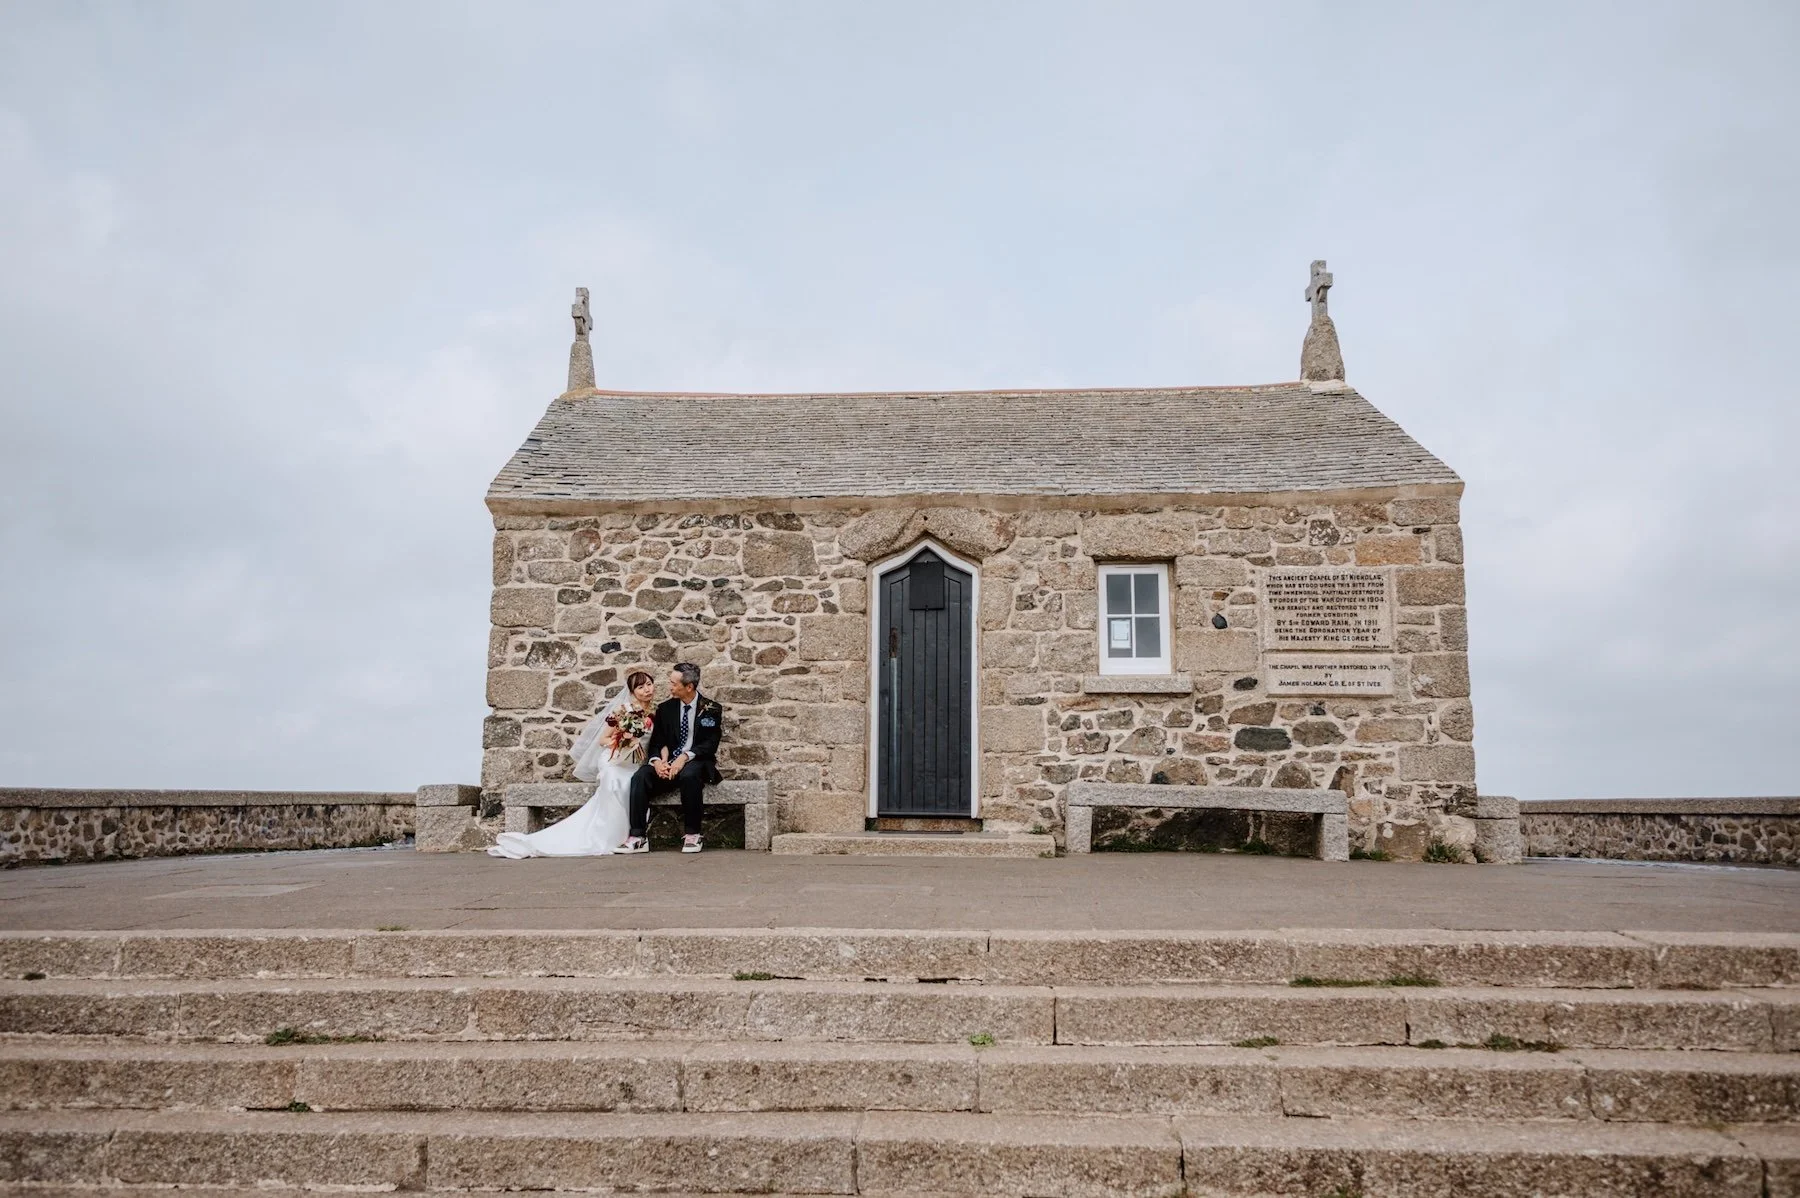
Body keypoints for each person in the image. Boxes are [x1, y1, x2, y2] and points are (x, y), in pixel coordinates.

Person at [485, 669, 657, 859]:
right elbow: (603, 740)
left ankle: (628, 835)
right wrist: (623, 741)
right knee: (616, 781)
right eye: (640, 687)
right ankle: (610, 836)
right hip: (614, 760)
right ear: (632, 691)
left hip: (633, 763)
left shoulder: (654, 714)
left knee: (633, 784)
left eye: (649, 684)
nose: (646, 690)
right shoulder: (623, 711)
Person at [621, 662, 723, 853]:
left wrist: (684, 757)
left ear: (689, 687)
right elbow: (657, 742)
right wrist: (657, 762)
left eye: (673, 684)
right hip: (668, 762)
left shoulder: (711, 709)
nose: (669, 687)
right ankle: (638, 837)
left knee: (689, 775)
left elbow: (710, 744)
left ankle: (693, 834)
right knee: (641, 776)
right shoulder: (665, 709)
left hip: (696, 761)